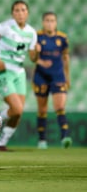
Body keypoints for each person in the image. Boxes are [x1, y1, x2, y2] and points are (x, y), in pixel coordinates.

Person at [0, 0, 38, 151]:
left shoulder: (32, 33)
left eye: (23, 10)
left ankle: (1, 144)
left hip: (19, 72)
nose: (20, 13)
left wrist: (37, 51)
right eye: (17, 10)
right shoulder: (5, 27)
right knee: (17, 109)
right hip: (3, 70)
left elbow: (33, 58)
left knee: (18, 113)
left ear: (27, 13)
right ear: (13, 13)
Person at [32, 12, 71, 149]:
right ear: (43, 22)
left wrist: (67, 77)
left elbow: (65, 57)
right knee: (42, 109)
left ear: (56, 22)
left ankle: (65, 137)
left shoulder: (62, 38)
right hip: (41, 76)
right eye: (47, 20)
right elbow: (32, 57)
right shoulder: (36, 36)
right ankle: (42, 140)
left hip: (58, 76)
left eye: (52, 20)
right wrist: (39, 57)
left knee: (60, 107)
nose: (50, 23)